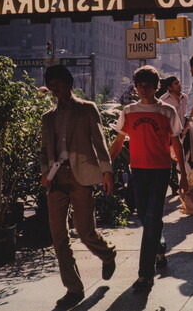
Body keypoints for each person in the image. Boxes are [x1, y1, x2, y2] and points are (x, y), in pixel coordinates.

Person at [40, 65, 116, 309]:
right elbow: (44, 150)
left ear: (69, 83)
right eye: (50, 84)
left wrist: (107, 172)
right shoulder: (48, 117)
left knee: (85, 232)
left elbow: (99, 142)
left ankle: (106, 254)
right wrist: (45, 175)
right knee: (58, 237)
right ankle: (73, 288)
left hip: (81, 177)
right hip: (56, 182)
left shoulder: (86, 109)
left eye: (58, 83)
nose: (54, 88)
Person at [109, 65, 189, 291]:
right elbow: (118, 142)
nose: (144, 89)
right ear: (135, 87)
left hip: (161, 171)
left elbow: (176, 143)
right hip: (138, 171)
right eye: (140, 85)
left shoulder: (167, 111)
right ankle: (160, 246)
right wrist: (105, 166)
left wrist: (182, 175)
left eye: (148, 86)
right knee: (147, 218)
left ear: (156, 87)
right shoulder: (129, 111)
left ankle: (145, 275)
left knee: (152, 217)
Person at [160, 76, 188, 196]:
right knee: (172, 160)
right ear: (169, 87)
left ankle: (184, 182)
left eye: (179, 83)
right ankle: (174, 185)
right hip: (171, 134)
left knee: (184, 159)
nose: (179, 85)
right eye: (176, 84)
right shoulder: (163, 100)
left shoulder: (185, 98)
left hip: (184, 132)